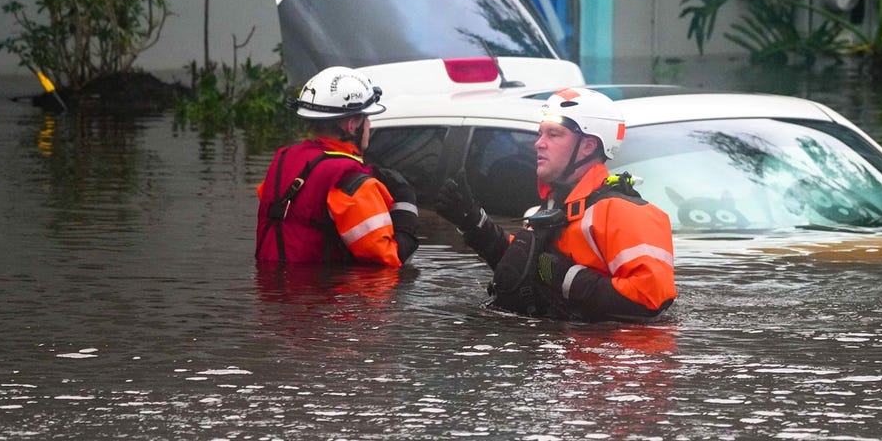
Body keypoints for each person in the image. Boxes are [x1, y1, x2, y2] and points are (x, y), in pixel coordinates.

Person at [435, 87, 676, 321]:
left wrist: (563, 276)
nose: (539, 143)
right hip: (558, 350)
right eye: (541, 133)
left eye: (554, 134)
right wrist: (475, 225)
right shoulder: (556, 206)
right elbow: (525, 267)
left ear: (588, 146)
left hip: (607, 359)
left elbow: (649, 300)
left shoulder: (624, 212)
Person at [256, 66, 418, 266]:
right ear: (352, 125)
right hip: (320, 295)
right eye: (366, 118)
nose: (369, 125)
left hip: (273, 291)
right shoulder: (353, 184)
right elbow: (386, 261)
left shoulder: (283, 162)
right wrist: (406, 204)